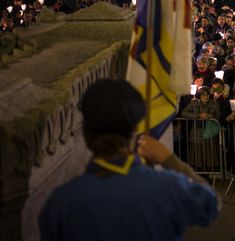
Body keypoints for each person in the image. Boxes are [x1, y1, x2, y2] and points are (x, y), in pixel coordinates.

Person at [39, 79, 219, 241]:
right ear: (134, 130)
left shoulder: (61, 202)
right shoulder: (168, 187)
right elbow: (210, 205)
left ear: (86, 133)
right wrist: (169, 160)